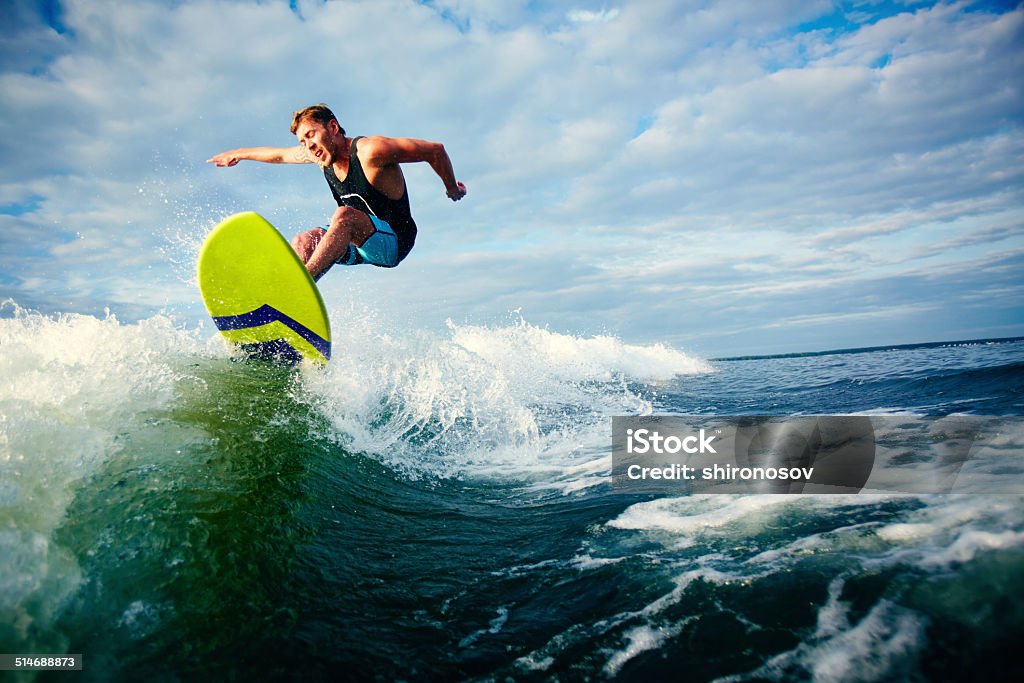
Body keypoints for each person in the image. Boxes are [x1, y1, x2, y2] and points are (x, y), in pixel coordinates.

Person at [207, 103, 466, 280]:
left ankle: (301, 286)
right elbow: (279, 155)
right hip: (358, 244)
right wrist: (238, 154)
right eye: (303, 141)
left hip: (394, 243)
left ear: (332, 127)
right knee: (304, 241)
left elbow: (435, 150)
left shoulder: (371, 152)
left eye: (311, 135)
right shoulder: (319, 155)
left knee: (344, 216)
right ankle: (284, 299)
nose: (309, 146)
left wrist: (451, 188)